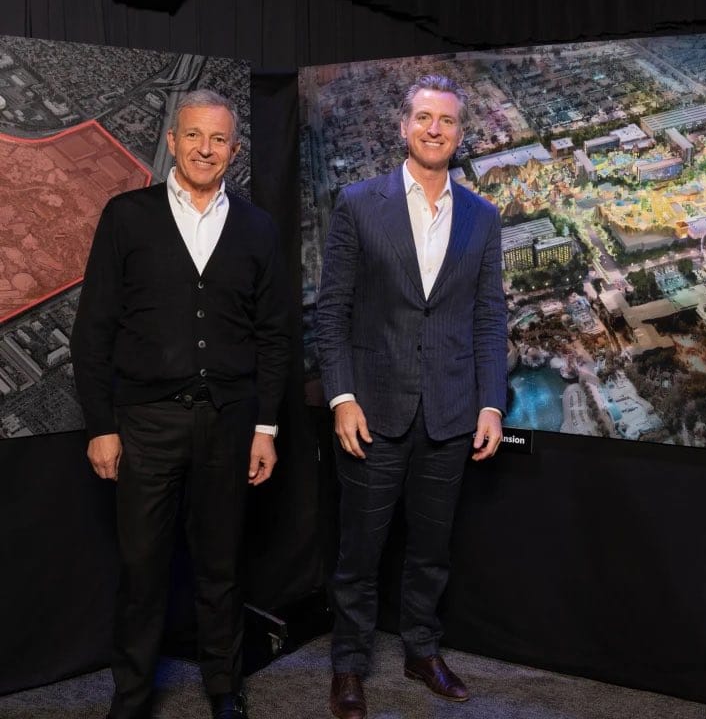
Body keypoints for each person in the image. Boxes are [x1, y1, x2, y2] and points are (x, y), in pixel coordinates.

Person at [72, 89, 290, 719]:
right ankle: (133, 695)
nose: (205, 148)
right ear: (172, 141)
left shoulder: (257, 227)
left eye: (218, 139)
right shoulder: (126, 217)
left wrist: (266, 427)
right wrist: (102, 426)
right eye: (193, 135)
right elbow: (94, 333)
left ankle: (224, 687)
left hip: (230, 424)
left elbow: (274, 335)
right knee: (143, 571)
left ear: (234, 150)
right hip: (144, 427)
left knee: (220, 567)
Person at [315, 74, 507, 719]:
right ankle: (349, 665)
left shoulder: (483, 215)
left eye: (446, 121)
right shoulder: (358, 203)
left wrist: (491, 403)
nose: (434, 129)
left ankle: (423, 651)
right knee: (359, 552)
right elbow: (331, 311)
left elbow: (488, 317)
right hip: (372, 410)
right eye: (423, 118)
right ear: (404, 126)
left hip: (452, 413)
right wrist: (340, 395)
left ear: (459, 133)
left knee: (431, 550)